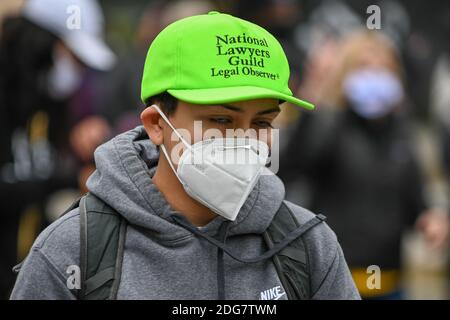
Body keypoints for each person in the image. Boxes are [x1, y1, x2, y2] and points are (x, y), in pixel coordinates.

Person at [10, 11, 360, 300]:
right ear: (156, 125)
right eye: (221, 119)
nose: (245, 139)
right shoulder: (73, 251)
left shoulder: (306, 244)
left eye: (262, 121)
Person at [280, 31, 449, 299]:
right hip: (333, 281)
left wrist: (432, 220)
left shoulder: (403, 134)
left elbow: (415, 203)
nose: (375, 74)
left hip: (391, 282)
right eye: (364, 67)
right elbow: (292, 167)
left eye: (384, 67)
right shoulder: (328, 125)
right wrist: (314, 100)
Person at [0, 0, 115, 298]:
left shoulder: (48, 102)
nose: (76, 73)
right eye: (72, 57)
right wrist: (67, 178)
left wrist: (81, 150)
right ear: (39, 43)